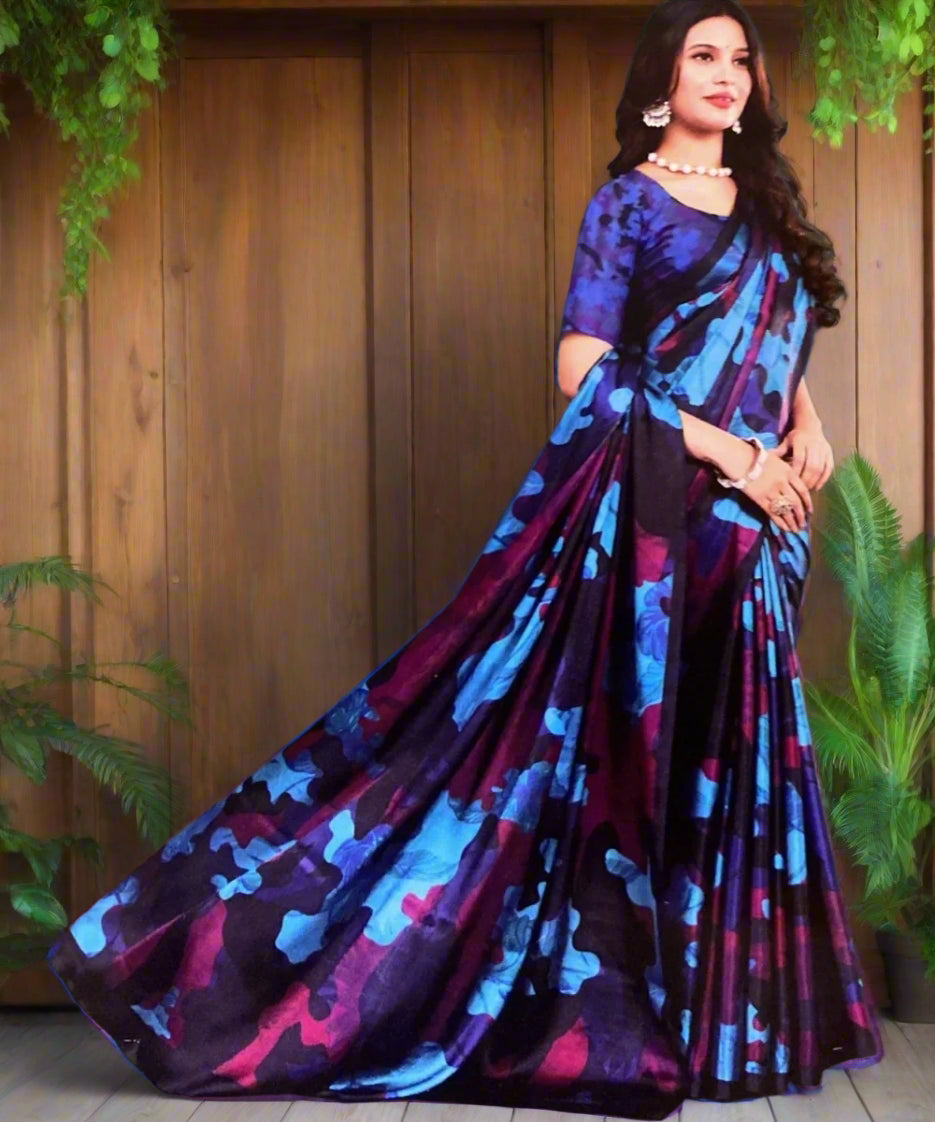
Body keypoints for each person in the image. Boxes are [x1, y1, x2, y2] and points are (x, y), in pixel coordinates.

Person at [48, 1, 885, 1118]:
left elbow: (773, 346)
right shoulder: (627, 205)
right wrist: (732, 450)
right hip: (658, 523)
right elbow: (582, 362)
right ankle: (230, 962)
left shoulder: (767, 210)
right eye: (701, 55)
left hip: (762, 533)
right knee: (576, 756)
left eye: (740, 59)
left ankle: (723, 1027)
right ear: (658, 76)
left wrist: (808, 427)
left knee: (722, 764)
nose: (726, 75)